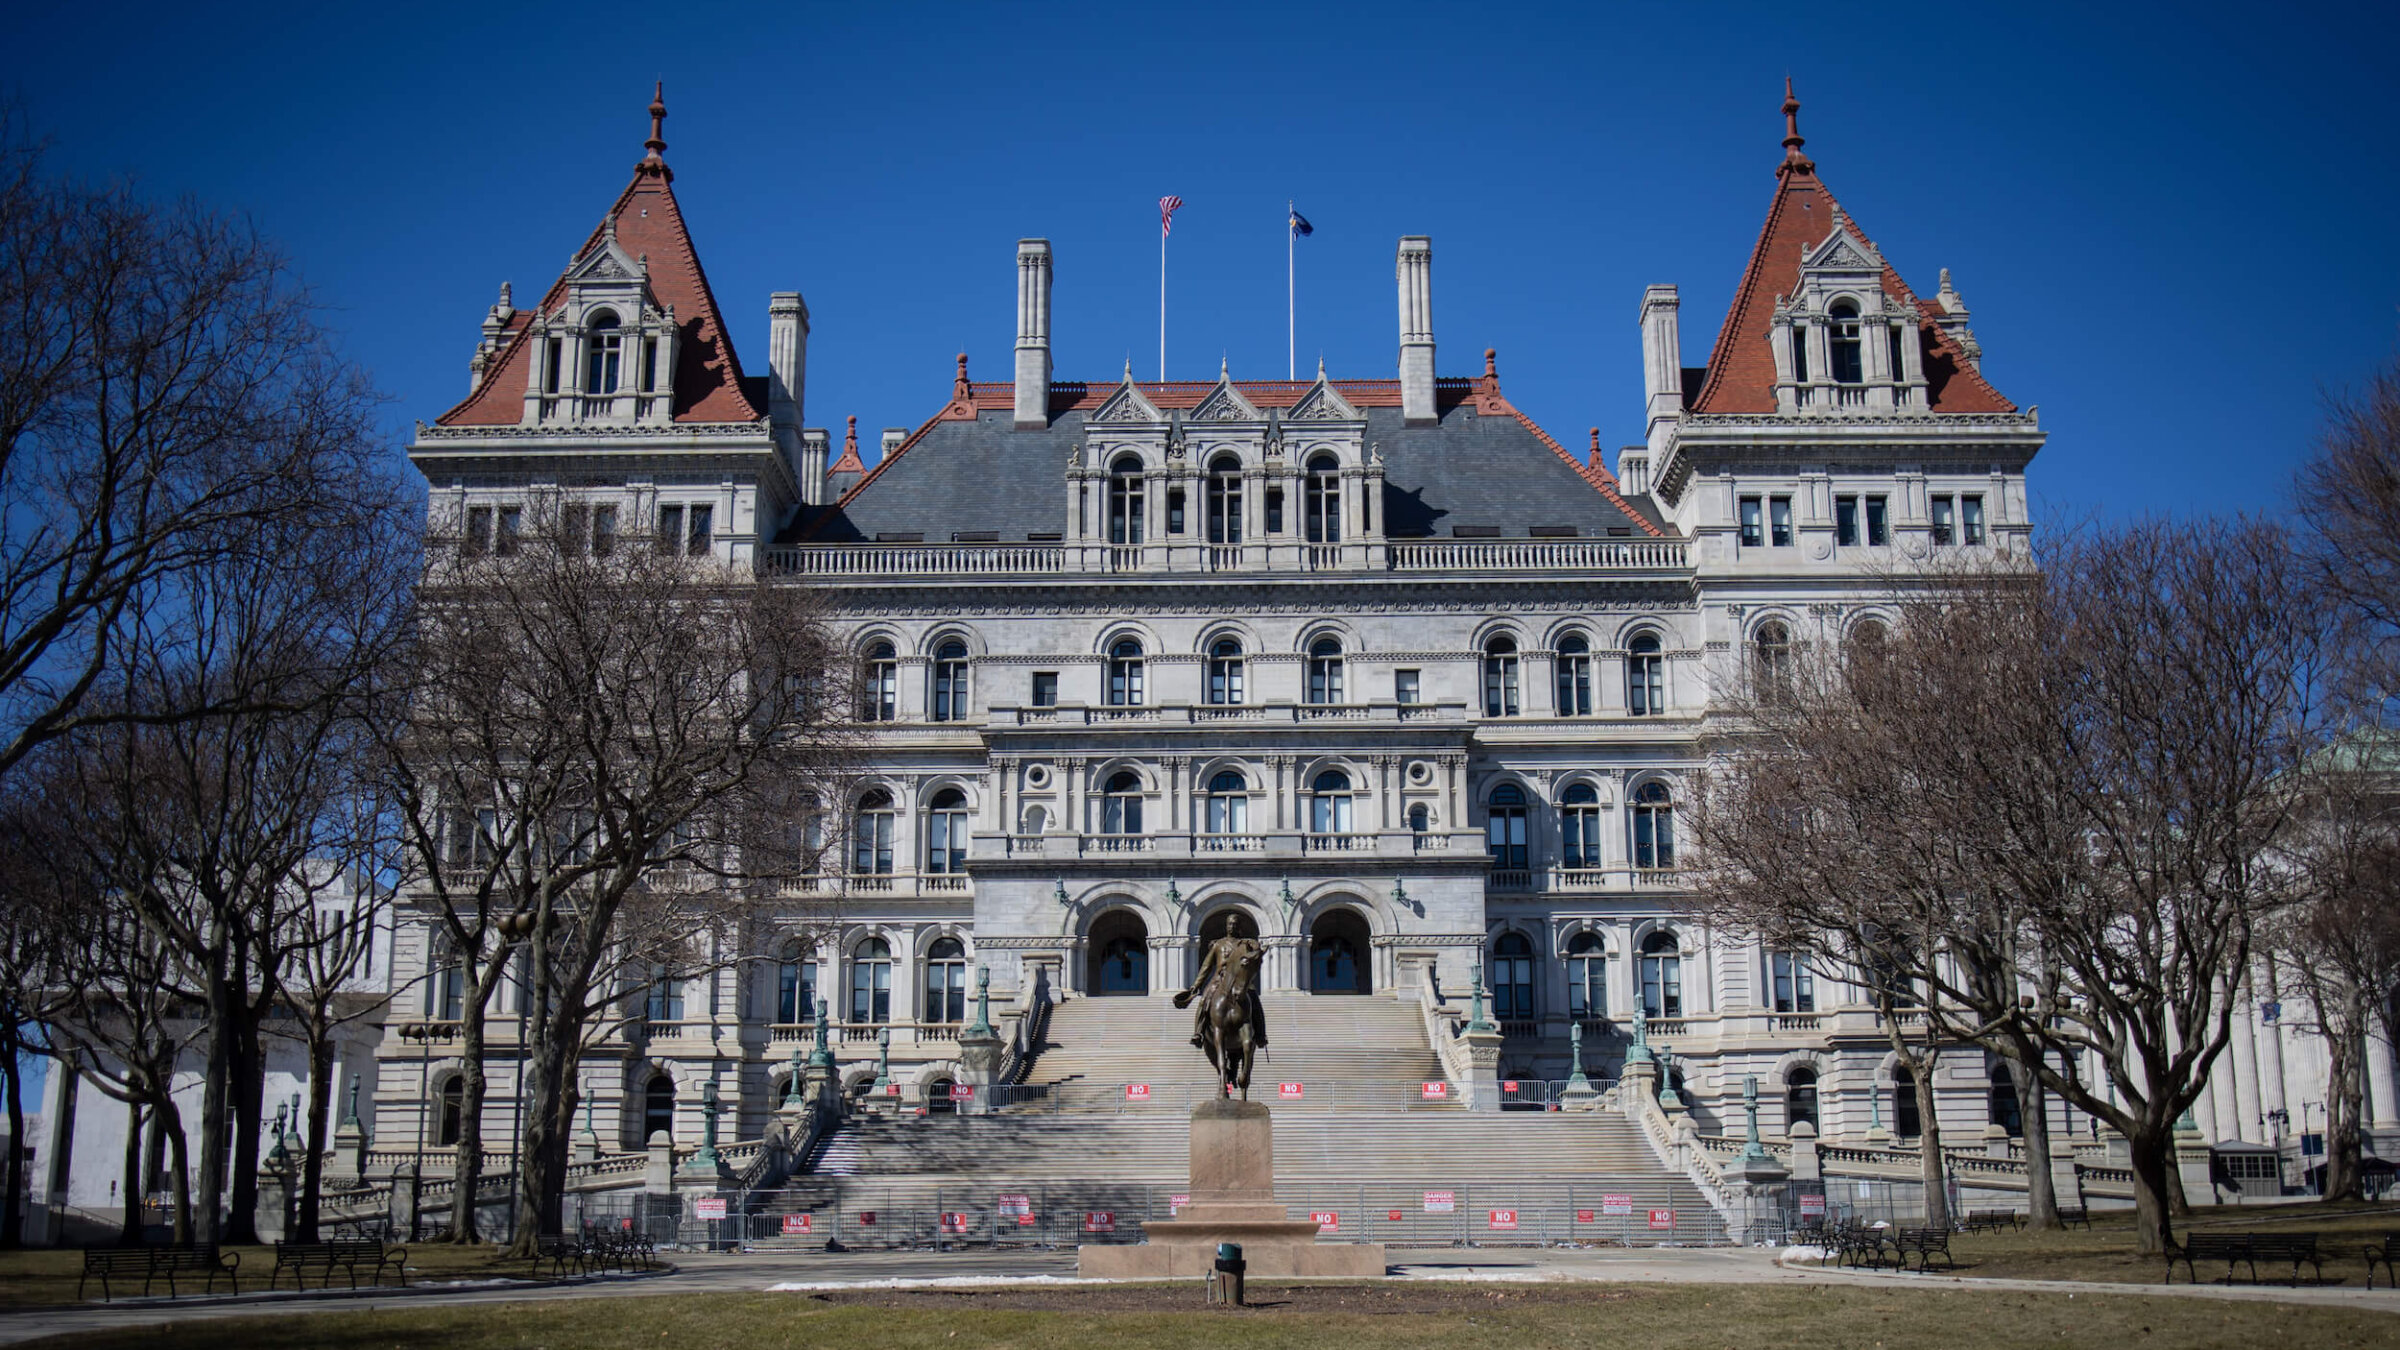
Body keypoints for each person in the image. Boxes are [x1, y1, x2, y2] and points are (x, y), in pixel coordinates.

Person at [1173, 933, 1268, 1051]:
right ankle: (1198, 1032)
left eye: (1235, 924)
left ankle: (1261, 1035)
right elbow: (1206, 966)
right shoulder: (1218, 944)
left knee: (1255, 1003)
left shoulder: (1245, 945)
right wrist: (1196, 985)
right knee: (1204, 1000)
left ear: (1240, 928)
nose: (1232, 926)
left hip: (1240, 982)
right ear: (1227, 926)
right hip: (1219, 980)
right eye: (1230, 924)